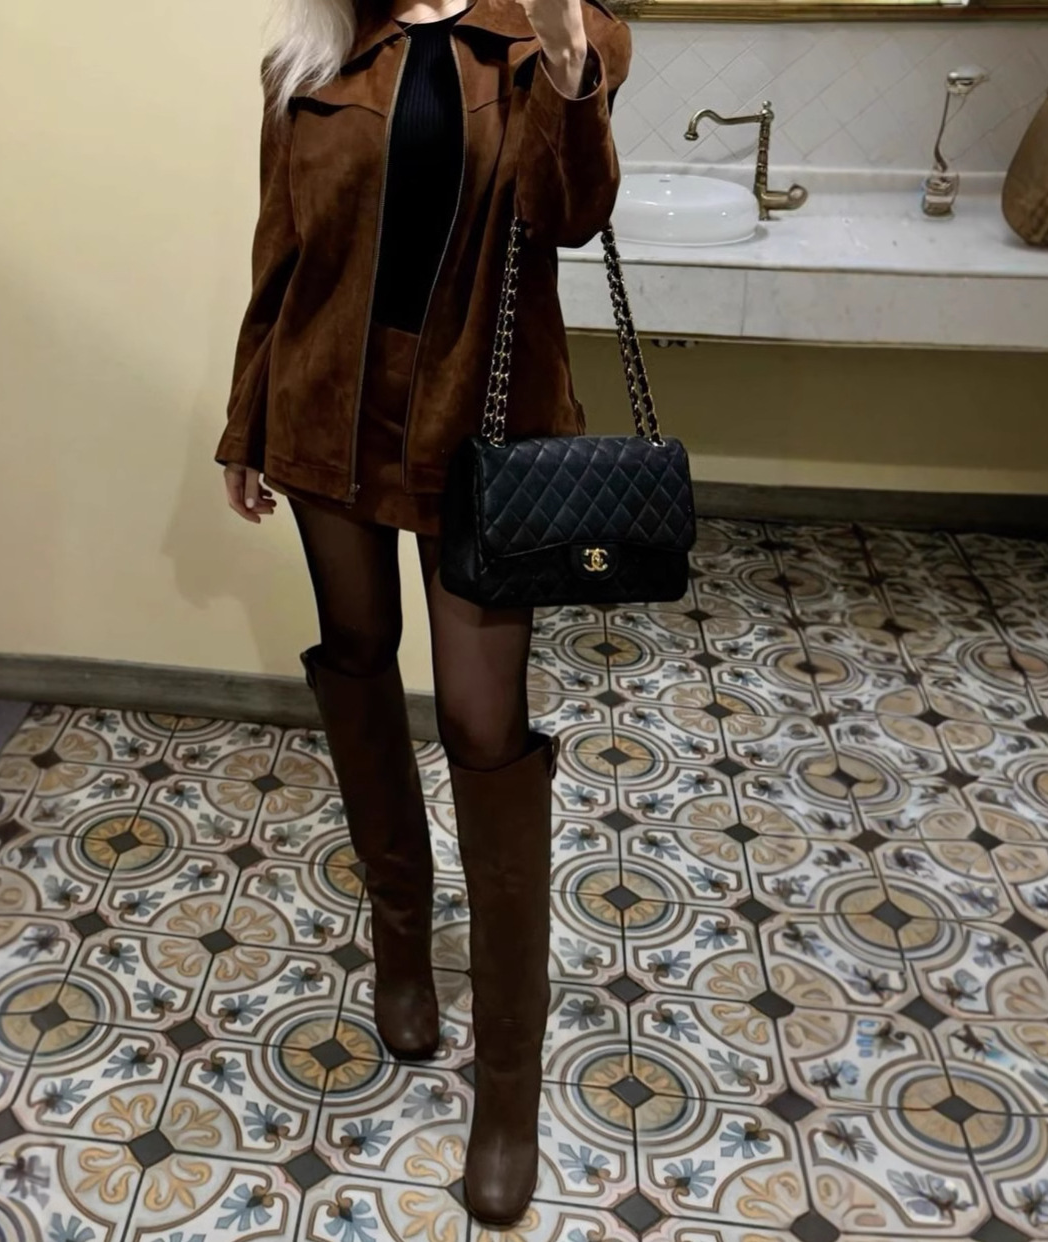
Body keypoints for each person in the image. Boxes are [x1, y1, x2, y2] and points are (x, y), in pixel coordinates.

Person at [217, 0, 630, 1225]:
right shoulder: (312, 52)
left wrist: (570, 72)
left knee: (482, 727)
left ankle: (508, 1082)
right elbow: (281, 248)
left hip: (480, 435)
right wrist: (246, 419)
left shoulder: (555, 36)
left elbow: (572, 215)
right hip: (327, 413)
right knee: (357, 661)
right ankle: (402, 940)